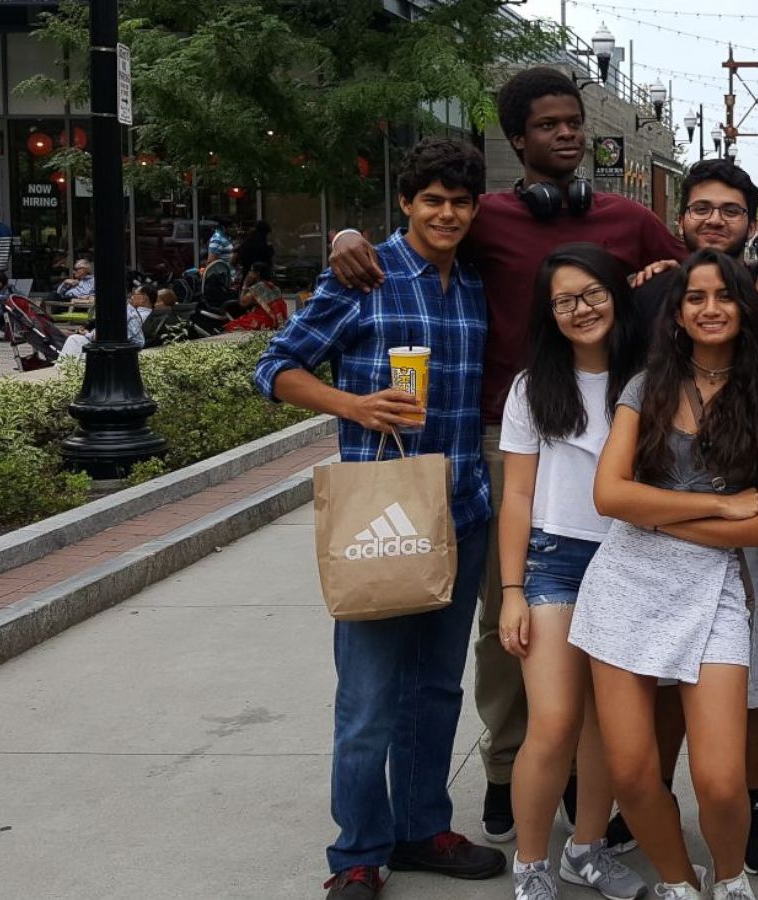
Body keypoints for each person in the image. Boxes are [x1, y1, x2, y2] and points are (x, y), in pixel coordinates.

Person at [326, 67, 758, 842]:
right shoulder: (483, 219)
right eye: (548, 125)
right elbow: (420, 233)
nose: (568, 134)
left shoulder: (626, 215)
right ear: (517, 139)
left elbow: (705, 274)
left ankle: (600, 785)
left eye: (575, 121)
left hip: (615, 422)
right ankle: (509, 770)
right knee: (507, 625)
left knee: (620, 610)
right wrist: (350, 238)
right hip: (508, 427)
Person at [254, 137, 507, 900]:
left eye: (460, 203)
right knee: (367, 700)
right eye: (432, 200)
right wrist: (353, 405)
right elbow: (274, 368)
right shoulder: (361, 275)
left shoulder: (473, 285)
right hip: (381, 518)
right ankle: (358, 853)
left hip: (461, 511)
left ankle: (422, 826)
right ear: (406, 203)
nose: (447, 214)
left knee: (435, 690)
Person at [571, 250, 758, 900]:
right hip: (625, 584)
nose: (710, 308)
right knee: (634, 772)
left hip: (716, 587)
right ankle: (677, 882)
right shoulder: (646, 388)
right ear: (677, 313)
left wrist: (657, 514)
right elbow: (610, 498)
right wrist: (716, 504)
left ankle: (728, 878)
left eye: (724, 296)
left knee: (722, 781)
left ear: (744, 308)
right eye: (694, 297)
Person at [617, 157, 758, 878]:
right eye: (702, 208)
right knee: (665, 671)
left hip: (753, 498)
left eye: (731, 209)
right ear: (682, 217)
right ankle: (656, 795)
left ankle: (750, 801)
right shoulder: (653, 293)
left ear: (752, 223)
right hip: (667, 508)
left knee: (749, 674)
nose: (715, 220)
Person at [495, 244, 651, 900]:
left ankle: (585, 850)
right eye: (564, 300)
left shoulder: (651, 378)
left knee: (607, 727)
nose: (580, 309)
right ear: (549, 312)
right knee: (555, 719)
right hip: (554, 563)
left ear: (617, 296)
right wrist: (509, 592)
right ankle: (531, 862)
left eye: (592, 293)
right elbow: (520, 498)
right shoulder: (533, 387)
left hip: (630, 560)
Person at [60, 284, 153, 357]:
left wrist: (87, 334)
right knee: (75, 339)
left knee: (74, 340)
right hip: (114, 345)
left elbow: (107, 336)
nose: (131, 296)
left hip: (116, 349)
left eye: (134, 293)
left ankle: (66, 371)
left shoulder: (131, 313)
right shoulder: (131, 310)